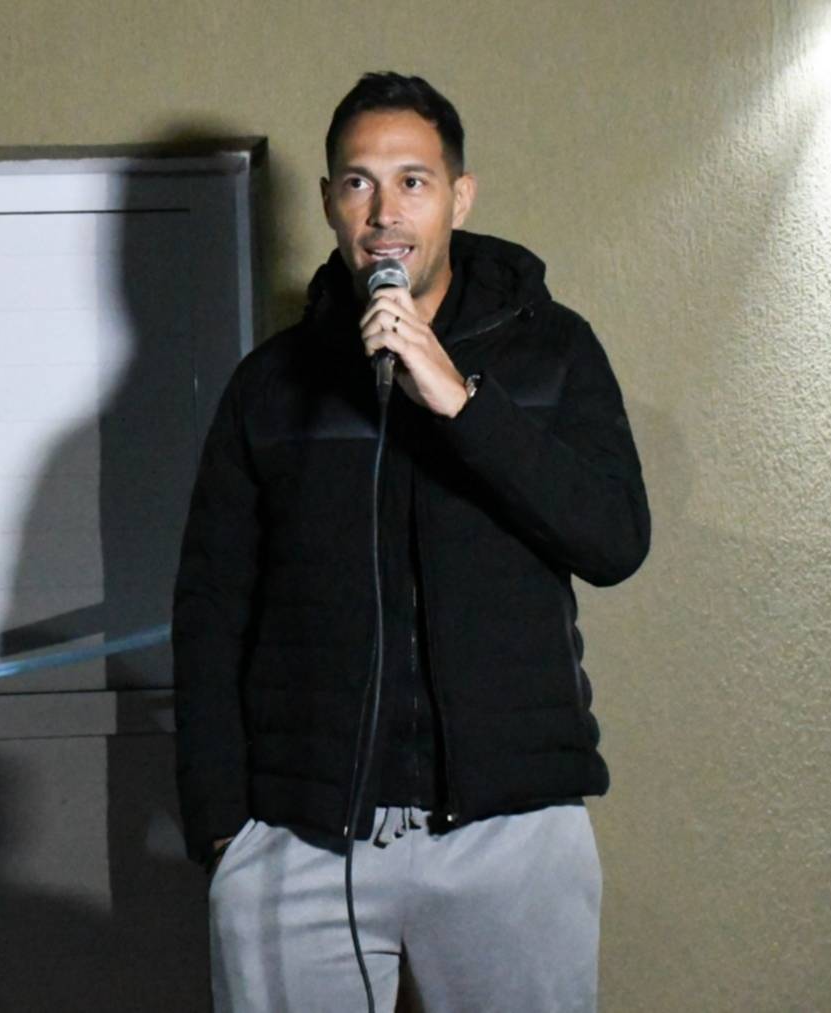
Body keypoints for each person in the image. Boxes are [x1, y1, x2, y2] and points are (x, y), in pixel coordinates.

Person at [172, 71, 650, 1012]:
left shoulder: (555, 352)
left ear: (459, 197)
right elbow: (211, 609)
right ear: (328, 201)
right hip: (302, 837)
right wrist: (225, 830)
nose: (384, 212)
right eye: (358, 183)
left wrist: (463, 402)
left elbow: (613, 538)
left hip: (510, 833)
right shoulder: (269, 385)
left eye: (413, 182)